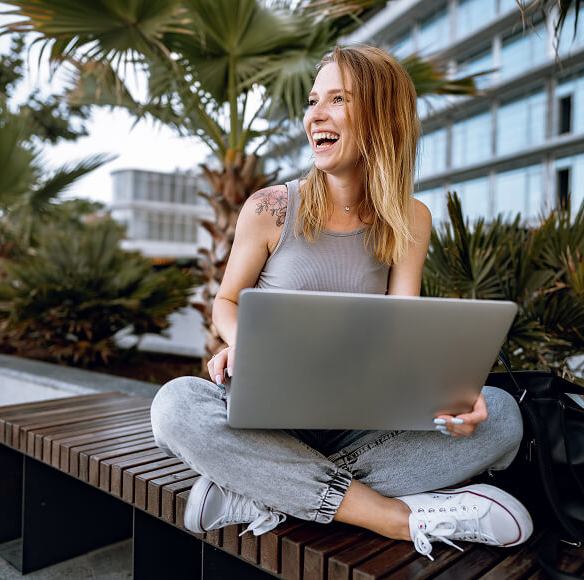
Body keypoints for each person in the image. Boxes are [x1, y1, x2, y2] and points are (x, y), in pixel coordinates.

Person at [150, 45, 532, 560]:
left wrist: (446, 399)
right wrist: (245, 343)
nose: (315, 116)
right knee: (175, 406)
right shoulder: (270, 208)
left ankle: (261, 485)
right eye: (313, 101)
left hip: (361, 419)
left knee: (503, 416)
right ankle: (394, 516)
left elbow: (403, 330)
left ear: (380, 119)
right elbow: (225, 301)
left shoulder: (411, 220)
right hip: (270, 416)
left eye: (338, 100)